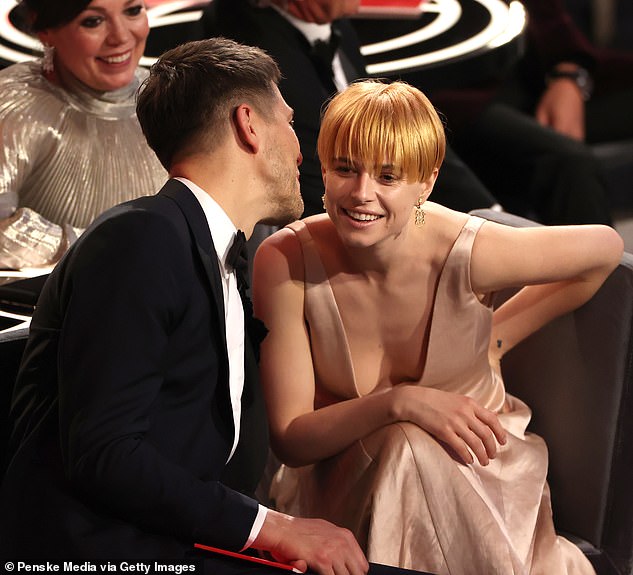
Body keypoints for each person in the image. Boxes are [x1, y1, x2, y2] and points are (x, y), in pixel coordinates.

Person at [0, 37, 370, 575]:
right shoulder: (141, 239)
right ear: (248, 124)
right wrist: (274, 527)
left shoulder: (216, 252)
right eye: (290, 123)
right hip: (107, 555)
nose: (300, 148)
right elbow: (106, 453)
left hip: (185, 542)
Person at [252, 79, 624, 574]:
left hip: (479, 476)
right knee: (402, 445)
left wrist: (499, 337)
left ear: (426, 184)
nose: (362, 193)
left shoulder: (469, 251)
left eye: (388, 177)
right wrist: (401, 403)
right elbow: (291, 438)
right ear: (323, 168)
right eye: (345, 169)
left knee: (407, 451)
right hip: (340, 485)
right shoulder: (284, 259)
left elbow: (604, 250)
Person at [205, 0, 498, 219]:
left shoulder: (334, 24)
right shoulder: (255, 50)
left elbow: (399, 132)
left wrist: (487, 209)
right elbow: (307, 182)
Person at [418, 0, 633, 225]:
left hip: (536, 75)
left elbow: (547, 17)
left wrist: (568, 75)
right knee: (573, 164)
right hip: (454, 96)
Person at [0, 0, 166, 270]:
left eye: (133, 10)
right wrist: (98, 247)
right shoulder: (12, 104)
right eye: (93, 21)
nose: (120, 37)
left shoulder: (172, 100)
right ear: (44, 30)